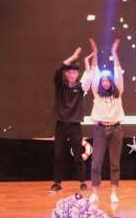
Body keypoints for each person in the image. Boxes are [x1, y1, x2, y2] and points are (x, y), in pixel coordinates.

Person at [86, 38, 125, 204]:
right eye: (103, 80)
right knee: (96, 163)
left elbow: (118, 71)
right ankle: (95, 192)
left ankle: (114, 192)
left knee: (114, 164)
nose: (106, 82)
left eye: (108, 80)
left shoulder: (118, 92)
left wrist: (114, 53)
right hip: (100, 130)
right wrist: (95, 54)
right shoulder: (97, 93)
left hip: (116, 129)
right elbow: (95, 71)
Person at [50, 47, 92, 193]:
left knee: (78, 156)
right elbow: (58, 70)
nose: (71, 74)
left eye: (74, 72)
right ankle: (57, 183)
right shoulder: (60, 85)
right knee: (58, 155)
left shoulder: (81, 88)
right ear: (66, 74)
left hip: (75, 126)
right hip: (61, 125)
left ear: (77, 74)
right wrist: (73, 56)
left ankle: (83, 182)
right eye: (69, 72)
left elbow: (89, 78)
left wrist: (86, 62)